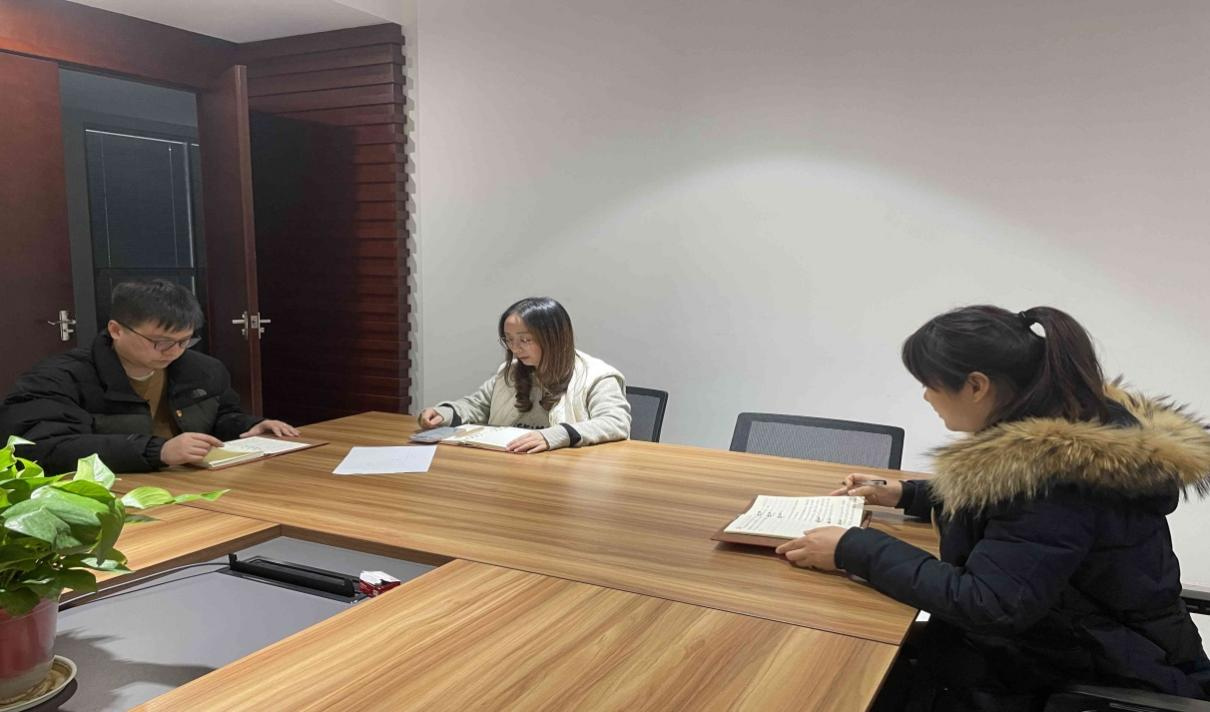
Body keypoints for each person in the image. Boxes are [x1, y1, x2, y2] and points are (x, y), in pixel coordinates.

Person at [775, 305, 1210, 710]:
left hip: (1090, 673)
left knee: (836, 679)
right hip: (1078, 642)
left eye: (930, 384)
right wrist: (906, 494)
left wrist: (854, 548)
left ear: (977, 386)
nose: (926, 397)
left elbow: (990, 603)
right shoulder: (1078, 439)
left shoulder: (1053, 480)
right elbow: (1011, 519)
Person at [0, 279, 298, 474]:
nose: (174, 351)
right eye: (161, 342)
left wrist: (249, 426)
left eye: (185, 341)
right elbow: (39, 449)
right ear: (116, 330)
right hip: (109, 497)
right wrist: (159, 451)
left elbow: (219, 416)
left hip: (188, 486)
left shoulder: (203, 369)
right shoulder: (57, 379)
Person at [417, 297, 630, 453]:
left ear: (553, 338)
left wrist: (558, 435)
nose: (515, 348)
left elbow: (615, 422)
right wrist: (445, 413)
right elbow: (478, 405)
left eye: (525, 340)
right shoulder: (509, 373)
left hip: (566, 473)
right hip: (508, 464)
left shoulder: (597, 376)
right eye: (508, 339)